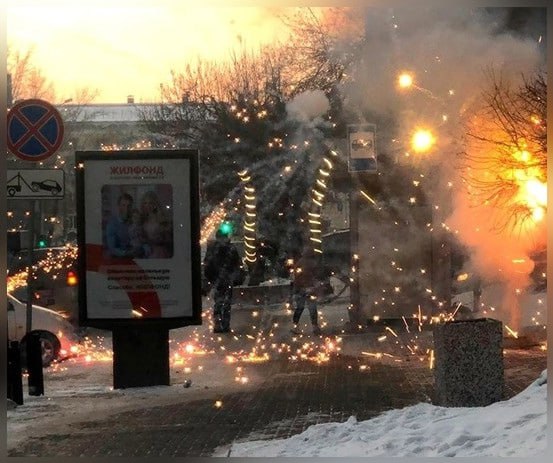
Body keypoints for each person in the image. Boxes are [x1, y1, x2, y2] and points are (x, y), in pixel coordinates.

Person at [203, 227, 241, 333]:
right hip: (227, 279)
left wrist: (209, 278)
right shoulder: (231, 248)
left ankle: (218, 324)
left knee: (219, 302)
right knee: (226, 302)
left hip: (218, 280)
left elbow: (207, 264)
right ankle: (225, 324)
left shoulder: (213, 248)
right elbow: (237, 264)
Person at [290, 246, 322, 335]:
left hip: (301, 289)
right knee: (312, 308)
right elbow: (315, 276)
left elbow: (297, 277)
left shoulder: (299, 263)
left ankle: (295, 327)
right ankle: (315, 327)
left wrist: (297, 289)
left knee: (300, 308)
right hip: (309, 288)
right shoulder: (313, 263)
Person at [140, 191, 173, 258]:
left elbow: (168, 239)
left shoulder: (161, 218)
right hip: (147, 252)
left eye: (150, 203)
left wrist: (161, 238)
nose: (148, 206)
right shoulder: (142, 219)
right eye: (145, 203)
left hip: (159, 251)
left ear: (155, 204)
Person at [105, 193, 134, 258]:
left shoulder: (135, 221)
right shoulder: (112, 224)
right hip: (117, 259)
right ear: (119, 206)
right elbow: (112, 248)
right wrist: (127, 253)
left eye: (129, 206)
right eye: (123, 205)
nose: (126, 208)